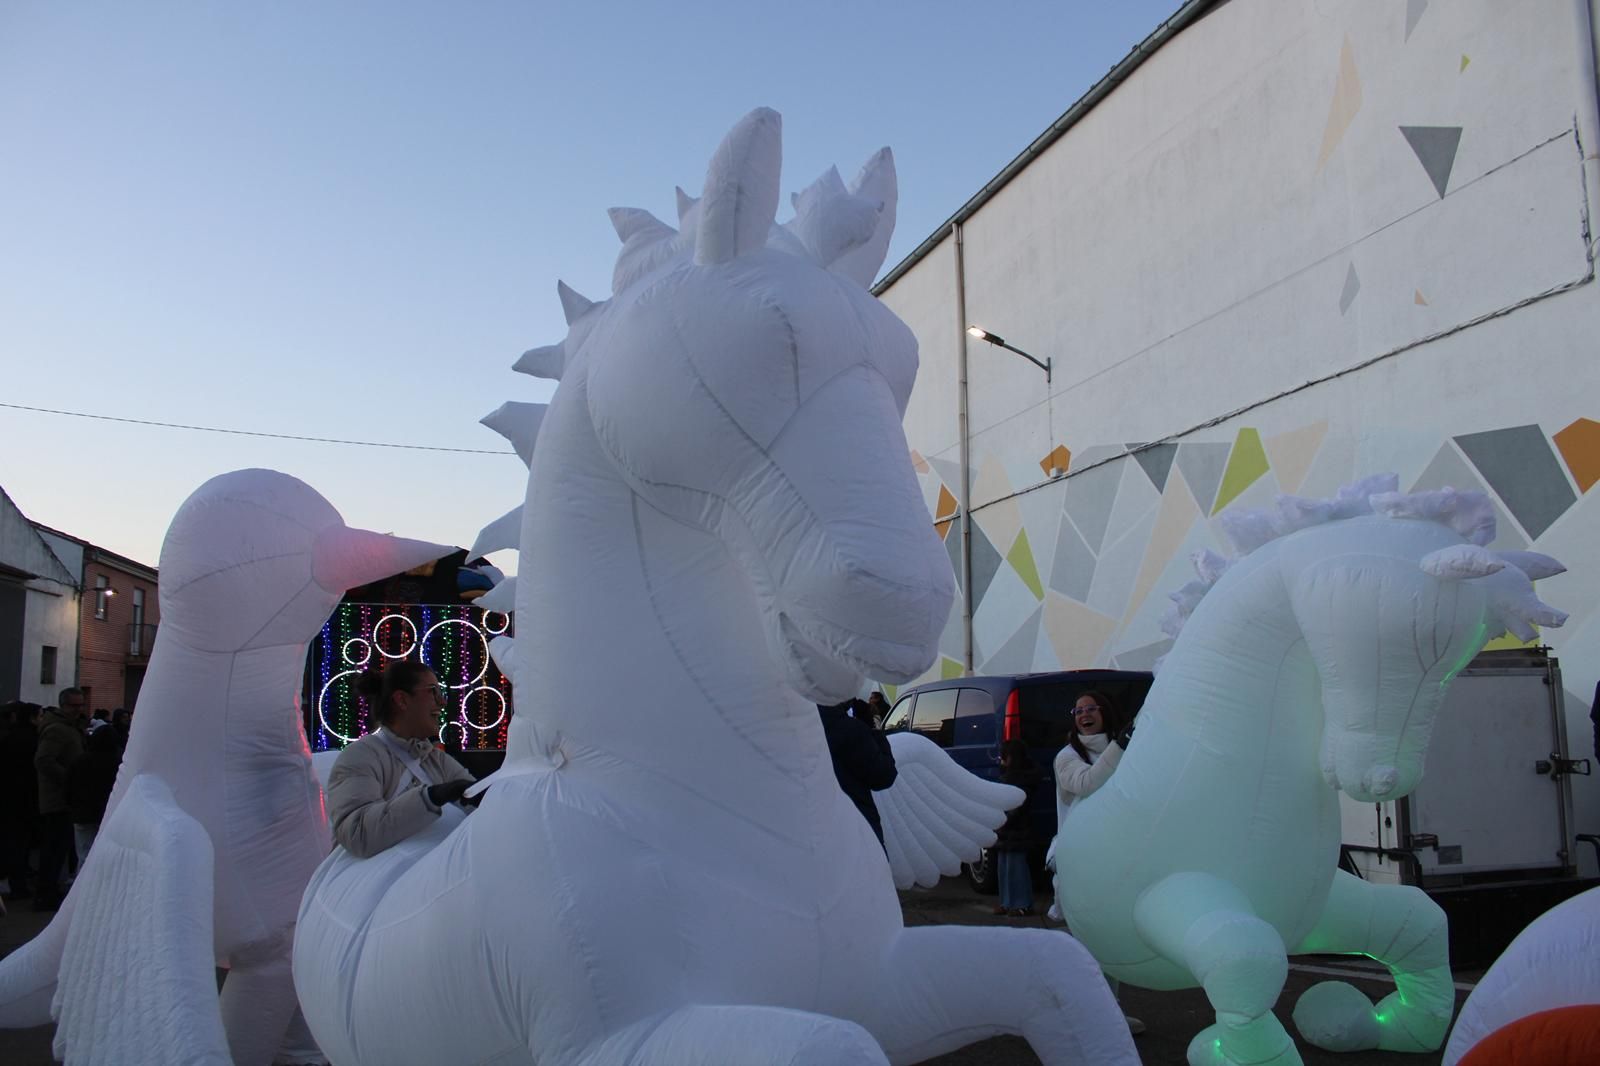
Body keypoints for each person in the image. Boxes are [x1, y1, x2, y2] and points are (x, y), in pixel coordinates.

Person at [1051, 689, 1143, 1034]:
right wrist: (1122, 745)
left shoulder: (1131, 752)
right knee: (1089, 945)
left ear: (1105, 712)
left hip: (1119, 860)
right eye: (1077, 710)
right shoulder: (1066, 757)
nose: (1084, 715)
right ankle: (1083, 1016)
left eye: (1091, 709)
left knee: (1113, 941)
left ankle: (1111, 1015)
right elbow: (1086, 783)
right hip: (1082, 865)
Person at [325, 662, 476, 859]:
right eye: (433, 692)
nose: (442, 702)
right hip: (374, 886)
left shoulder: (436, 760)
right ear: (402, 700)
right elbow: (358, 834)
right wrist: (430, 798)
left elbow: (478, 805)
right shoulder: (360, 756)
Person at [33, 688, 88, 909]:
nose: (78, 710)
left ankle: (49, 890)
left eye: (80, 705)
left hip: (65, 798)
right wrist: (69, 780)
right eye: (74, 706)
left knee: (59, 849)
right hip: (58, 800)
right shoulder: (57, 730)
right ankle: (45, 893)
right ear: (63, 705)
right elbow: (44, 760)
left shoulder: (69, 728)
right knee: (54, 850)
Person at [817, 699, 898, 845]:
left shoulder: (795, 728)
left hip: (814, 836)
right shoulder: (847, 729)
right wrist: (874, 727)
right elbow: (884, 775)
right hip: (859, 830)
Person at [994, 739, 1040, 917]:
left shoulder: (1018, 779)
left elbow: (1015, 808)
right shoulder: (1017, 776)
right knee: (1005, 866)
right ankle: (1007, 902)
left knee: (1015, 867)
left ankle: (1022, 904)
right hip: (1010, 828)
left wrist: (1000, 820)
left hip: (1015, 828)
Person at [68, 724, 123, 864]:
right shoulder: (119, 763)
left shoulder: (80, 761)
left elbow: (69, 785)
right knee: (107, 856)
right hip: (108, 814)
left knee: (84, 855)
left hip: (82, 813)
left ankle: (82, 883)